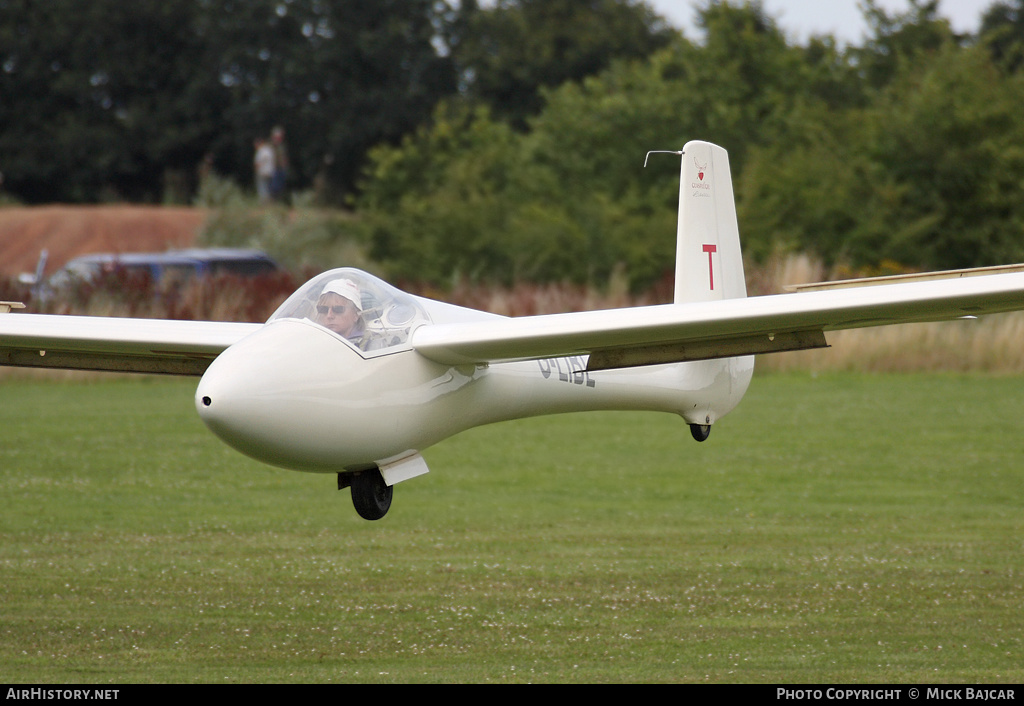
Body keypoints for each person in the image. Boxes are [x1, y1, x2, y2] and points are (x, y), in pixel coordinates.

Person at [315, 278, 380, 350]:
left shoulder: (373, 343)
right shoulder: (316, 344)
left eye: (338, 309)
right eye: (323, 309)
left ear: (356, 314)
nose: (329, 315)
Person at [253, 137, 275, 203]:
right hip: (270, 172)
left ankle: (264, 202)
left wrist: (256, 170)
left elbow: (258, 163)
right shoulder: (269, 150)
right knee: (268, 188)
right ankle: (269, 201)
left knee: (262, 188)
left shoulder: (260, 151)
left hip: (262, 172)